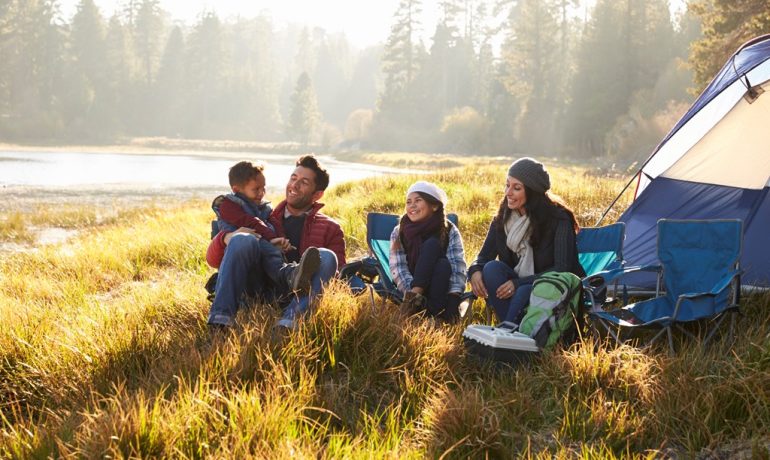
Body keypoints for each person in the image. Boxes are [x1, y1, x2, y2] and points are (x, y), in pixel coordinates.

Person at [207, 155, 346, 330]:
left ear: (317, 194)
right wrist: (226, 237)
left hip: (295, 294)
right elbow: (212, 260)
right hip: (255, 285)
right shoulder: (262, 215)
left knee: (327, 257)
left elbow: (339, 274)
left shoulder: (331, 228)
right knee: (243, 239)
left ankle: (288, 324)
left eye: (304, 182)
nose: (294, 185)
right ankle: (220, 322)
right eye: (293, 178)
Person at [468, 157, 584, 326]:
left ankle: (509, 332)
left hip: (551, 288)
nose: (508, 193)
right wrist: (475, 271)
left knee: (523, 290)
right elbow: (484, 256)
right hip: (518, 287)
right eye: (507, 185)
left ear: (532, 192)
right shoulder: (503, 217)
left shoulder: (558, 219)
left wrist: (519, 283)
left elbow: (562, 268)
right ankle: (517, 331)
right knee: (491, 268)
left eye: (517, 188)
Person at [389, 181, 467, 322]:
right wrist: (411, 291)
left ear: (435, 206)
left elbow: (457, 266)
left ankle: (426, 313)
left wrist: (454, 296)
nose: (412, 205)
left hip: (441, 286)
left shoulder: (449, 230)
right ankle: (425, 308)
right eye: (408, 202)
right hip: (410, 285)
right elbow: (398, 267)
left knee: (442, 262)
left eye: (418, 200)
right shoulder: (399, 231)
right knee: (432, 246)